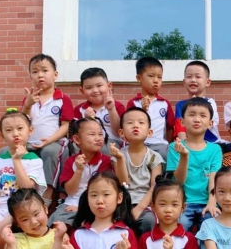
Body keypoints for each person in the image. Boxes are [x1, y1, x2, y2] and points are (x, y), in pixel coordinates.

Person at [0, 109, 46, 249]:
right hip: (0, 209)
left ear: (30, 131)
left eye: (20, 128)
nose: (15, 134)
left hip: (22, 208)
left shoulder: (34, 160)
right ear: (1, 135)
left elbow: (27, 187)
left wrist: (16, 160)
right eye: (9, 130)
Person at [49, 117, 127, 226]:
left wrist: (119, 159)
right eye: (92, 134)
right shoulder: (70, 162)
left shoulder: (106, 161)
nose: (98, 138)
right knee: (57, 222)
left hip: (99, 203)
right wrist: (79, 170)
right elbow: (70, 191)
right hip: (73, 202)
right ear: (77, 139)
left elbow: (123, 184)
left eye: (100, 134)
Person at [19, 53, 74, 204]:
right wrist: (27, 105)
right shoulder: (29, 99)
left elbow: (66, 126)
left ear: (55, 75)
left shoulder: (63, 99)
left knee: (50, 152)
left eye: (44, 70)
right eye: (35, 72)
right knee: (8, 153)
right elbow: (21, 122)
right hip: (30, 143)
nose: (40, 75)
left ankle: (46, 199)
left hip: (54, 142)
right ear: (30, 76)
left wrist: (49, 140)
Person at [166, 97, 222, 231]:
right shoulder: (175, 147)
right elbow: (179, 181)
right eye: (192, 115)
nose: (197, 119)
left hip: (207, 201)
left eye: (203, 115)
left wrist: (212, 203)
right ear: (182, 122)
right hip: (182, 203)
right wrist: (184, 156)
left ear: (210, 123)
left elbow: (214, 178)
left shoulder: (215, 149)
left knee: (212, 227)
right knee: (179, 227)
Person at [118, 107, 164, 235]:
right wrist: (119, 159)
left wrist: (140, 208)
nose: (135, 125)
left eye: (141, 122)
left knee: (148, 221)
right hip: (122, 202)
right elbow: (123, 183)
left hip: (146, 203)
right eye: (130, 122)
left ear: (149, 132)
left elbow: (155, 186)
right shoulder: (119, 155)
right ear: (121, 132)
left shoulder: (154, 157)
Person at [126, 56, 174, 162]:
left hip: (159, 144)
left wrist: (168, 144)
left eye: (159, 77)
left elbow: (170, 127)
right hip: (138, 144)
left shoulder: (164, 103)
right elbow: (127, 125)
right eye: (151, 76)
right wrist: (142, 110)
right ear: (139, 78)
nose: (156, 80)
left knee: (168, 158)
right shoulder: (133, 103)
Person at [73, 67, 125, 151]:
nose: (95, 90)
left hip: (111, 142)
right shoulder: (79, 109)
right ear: (82, 91)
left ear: (109, 86)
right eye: (89, 88)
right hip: (86, 143)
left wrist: (111, 110)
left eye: (99, 86)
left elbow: (118, 132)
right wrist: (86, 120)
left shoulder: (117, 106)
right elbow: (74, 134)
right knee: (72, 148)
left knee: (104, 149)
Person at [173, 60, 221, 143]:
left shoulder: (210, 102)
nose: (193, 80)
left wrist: (196, 105)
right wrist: (184, 146)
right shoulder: (180, 105)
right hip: (189, 144)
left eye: (198, 77)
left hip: (212, 143)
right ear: (184, 82)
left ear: (207, 82)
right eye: (189, 77)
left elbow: (211, 123)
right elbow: (180, 128)